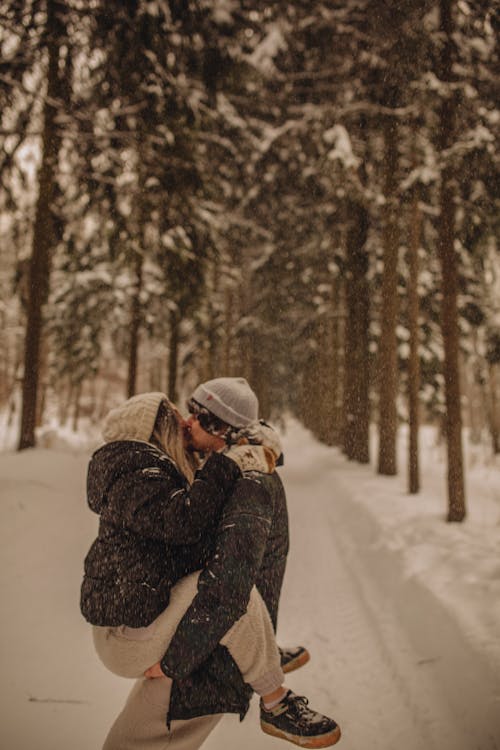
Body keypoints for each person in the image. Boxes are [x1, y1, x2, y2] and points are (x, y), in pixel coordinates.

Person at [98, 378, 341, 750]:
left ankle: (263, 655)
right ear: (154, 437)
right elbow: (190, 525)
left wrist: (253, 444)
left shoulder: (168, 471)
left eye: (202, 419)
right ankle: (274, 697)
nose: (190, 425)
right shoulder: (141, 480)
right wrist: (174, 664)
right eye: (185, 418)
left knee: (227, 589)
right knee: (227, 592)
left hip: (143, 619)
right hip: (126, 636)